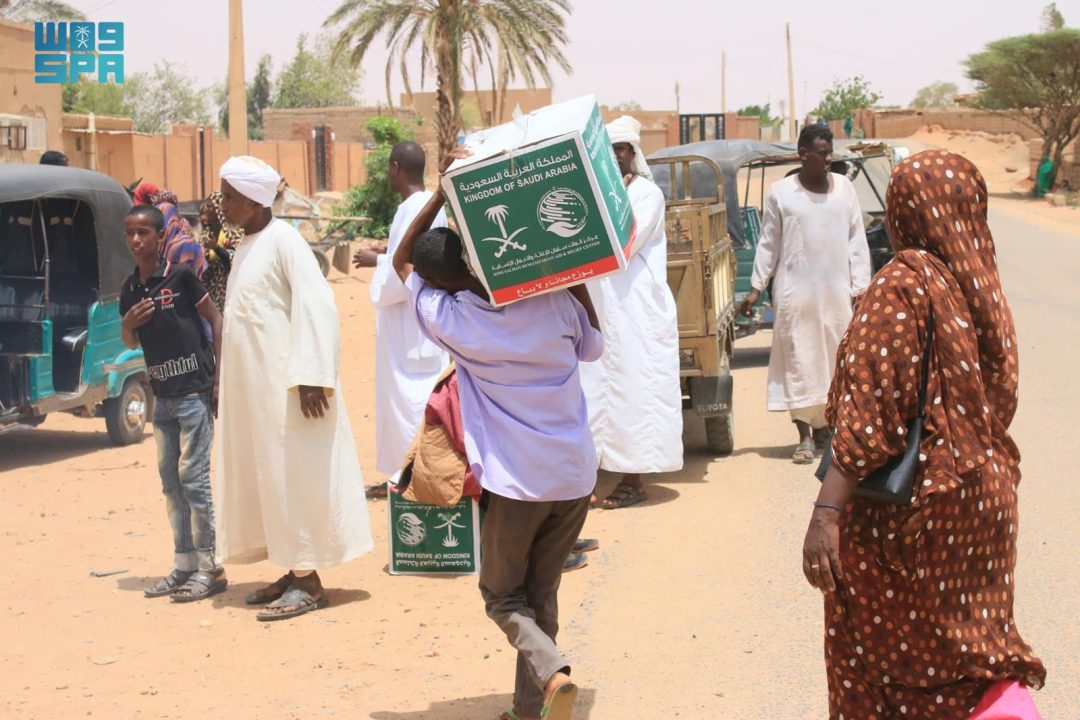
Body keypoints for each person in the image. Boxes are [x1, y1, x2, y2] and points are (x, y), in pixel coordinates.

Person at [802, 151, 1045, 719]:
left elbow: (869, 421)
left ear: (903, 210)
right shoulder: (978, 283)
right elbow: (998, 396)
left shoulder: (903, 283)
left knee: (881, 663)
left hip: (916, 514)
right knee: (969, 654)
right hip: (982, 501)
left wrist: (826, 515)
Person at [392, 148, 602, 720]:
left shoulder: (453, 320)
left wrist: (442, 190)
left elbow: (402, 263)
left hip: (518, 481)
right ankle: (530, 707)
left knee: (503, 597)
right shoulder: (551, 300)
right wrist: (566, 268)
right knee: (543, 593)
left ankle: (553, 671)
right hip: (576, 475)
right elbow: (595, 341)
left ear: (444, 283)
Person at [214, 156, 372, 622]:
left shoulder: (286, 242)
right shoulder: (248, 244)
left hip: (290, 391)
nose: (223, 204)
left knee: (294, 476)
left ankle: (308, 580)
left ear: (251, 199)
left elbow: (318, 308)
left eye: (228, 196)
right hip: (256, 393)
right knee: (270, 478)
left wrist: (312, 376)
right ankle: (292, 566)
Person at [738, 124, 872, 464]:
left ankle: (829, 426)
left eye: (830, 152)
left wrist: (861, 288)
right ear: (803, 155)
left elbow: (857, 241)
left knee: (835, 361)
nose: (828, 159)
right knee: (800, 361)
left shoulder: (844, 189)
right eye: (822, 153)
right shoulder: (782, 193)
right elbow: (769, 243)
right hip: (795, 294)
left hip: (837, 294)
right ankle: (804, 436)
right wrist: (756, 287)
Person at [118, 205, 226, 602]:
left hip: (194, 393)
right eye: (130, 233)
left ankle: (210, 567)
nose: (135, 240)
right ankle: (183, 565)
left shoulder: (180, 277)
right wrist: (128, 324)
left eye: (143, 232)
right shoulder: (130, 289)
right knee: (171, 484)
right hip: (161, 400)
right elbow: (130, 342)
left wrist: (217, 379)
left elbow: (216, 320)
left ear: (159, 236)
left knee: (193, 481)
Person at [580, 115, 683, 509]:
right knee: (591, 394)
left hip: (634, 312)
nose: (615, 157)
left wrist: (609, 199)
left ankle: (634, 479)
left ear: (633, 153)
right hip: (599, 309)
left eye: (621, 150)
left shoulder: (645, 194)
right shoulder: (594, 194)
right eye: (608, 151)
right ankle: (585, 479)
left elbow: (621, 240)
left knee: (635, 393)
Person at [361, 141, 449, 498]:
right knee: (406, 405)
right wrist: (384, 258)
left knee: (413, 406)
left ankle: (411, 477)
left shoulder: (416, 208)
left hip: (411, 329)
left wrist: (378, 263)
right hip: (414, 326)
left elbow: (405, 273)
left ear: (396, 168)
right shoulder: (420, 206)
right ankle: (402, 474)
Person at [196, 191, 243, 313]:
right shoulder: (206, 234)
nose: (206, 209)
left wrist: (216, 248)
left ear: (218, 209)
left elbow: (236, 260)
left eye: (210, 206)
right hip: (209, 292)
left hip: (228, 291)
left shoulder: (235, 232)